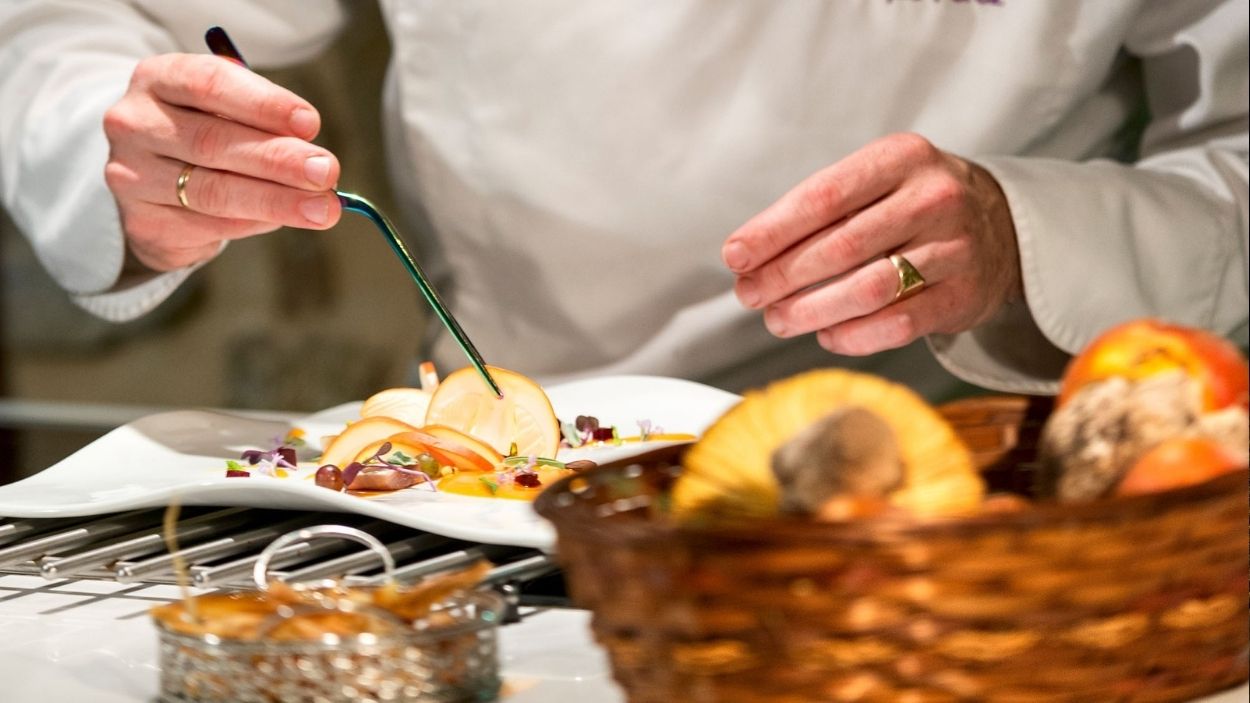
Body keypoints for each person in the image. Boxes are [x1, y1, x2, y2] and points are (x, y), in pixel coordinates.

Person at [0, 1, 1245, 397]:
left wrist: (1027, 242)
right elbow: (78, 22)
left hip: (1009, 491)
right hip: (530, 494)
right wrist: (135, 146)